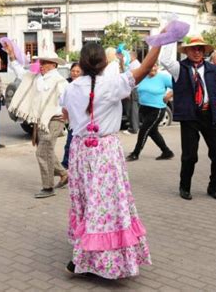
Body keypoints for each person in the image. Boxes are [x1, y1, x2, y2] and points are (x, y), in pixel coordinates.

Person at [60, 36, 166, 278]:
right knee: (105, 206)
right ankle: (88, 259)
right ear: (103, 63)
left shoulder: (71, 87)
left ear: (82, 63)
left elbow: (65, 113)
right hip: (104, 151)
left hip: (79, 151)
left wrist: (81, 120)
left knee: (87, 204)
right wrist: (159, 42)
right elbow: (146, 67)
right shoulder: (112, 84)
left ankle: (86, 255)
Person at [160, 36, 216, 201]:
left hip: (209, 114)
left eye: (200, 49)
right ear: (187, 51)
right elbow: (165, 60)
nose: (197, 52)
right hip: (189, 116)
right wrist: (172, 35)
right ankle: (184, 187)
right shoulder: (179, 68)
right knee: (190, 155)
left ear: (204, 51)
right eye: (193, 49)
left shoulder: (212, 69)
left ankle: (214, 188)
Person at [4, 44, 69, 198]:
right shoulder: (35, 78)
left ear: (53, 64)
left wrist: (68, 116)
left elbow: (69, 100)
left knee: (42, 152)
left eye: (44, 62)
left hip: (55, 120)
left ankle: (48, 187)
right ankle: (63, 174)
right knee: (46, 150)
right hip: (41, 120)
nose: (41, 65)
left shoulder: (60, 81)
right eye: (40, 62)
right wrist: (12, 55)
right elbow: (20, 72)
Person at [126, 64, 174, 161]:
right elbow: (131, 84)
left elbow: (179, 85)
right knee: (152, 132)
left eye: (155, 66)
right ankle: (167, 152)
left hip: (157, 109)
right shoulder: (142, 77)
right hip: (144, 108)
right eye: (150, 66)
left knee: (144, 130)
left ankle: (135, 153)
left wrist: (169, 95)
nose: (153, 68)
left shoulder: (163, 77)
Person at [61, 62, 82, 169]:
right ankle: (65, 165)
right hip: (71, 121)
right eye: (73, 71)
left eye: (78, 71)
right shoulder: (66, 84)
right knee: (69, 144)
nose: (75, 73)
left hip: (82, 122)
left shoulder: (85, 86)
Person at [122, 51, 141, 134]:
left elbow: (129, 77)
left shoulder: (134, 65)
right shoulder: (133, 64)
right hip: (133, 89)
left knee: (133, 109)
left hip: (133, 89)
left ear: (132, 57)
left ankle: (134, 128)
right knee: (131, 108)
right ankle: (133, 127)